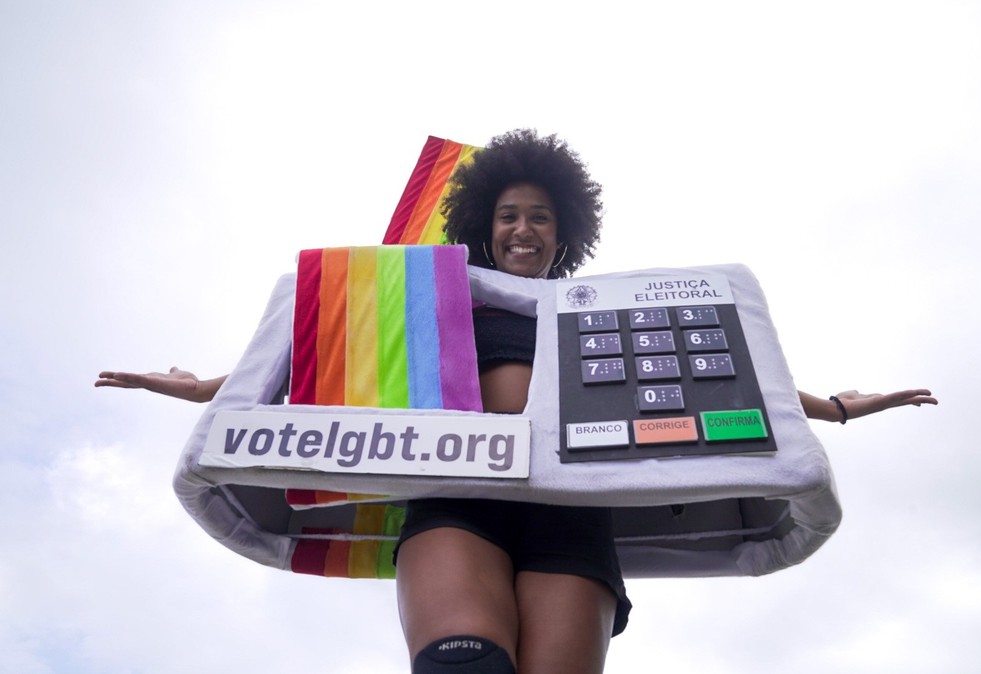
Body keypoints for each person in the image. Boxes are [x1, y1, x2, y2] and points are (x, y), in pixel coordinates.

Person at [96, 129, 937, 673]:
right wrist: (204, 387)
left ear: (563, 231)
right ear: (485, 226)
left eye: (539, 218)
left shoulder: (606, 313)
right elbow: (316, 355)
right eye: (509, 217)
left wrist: (833, 404)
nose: (524, 230)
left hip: (574, 510)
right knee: (465, 667)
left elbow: (711, 375)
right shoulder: (432, 301)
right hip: (456, 499)